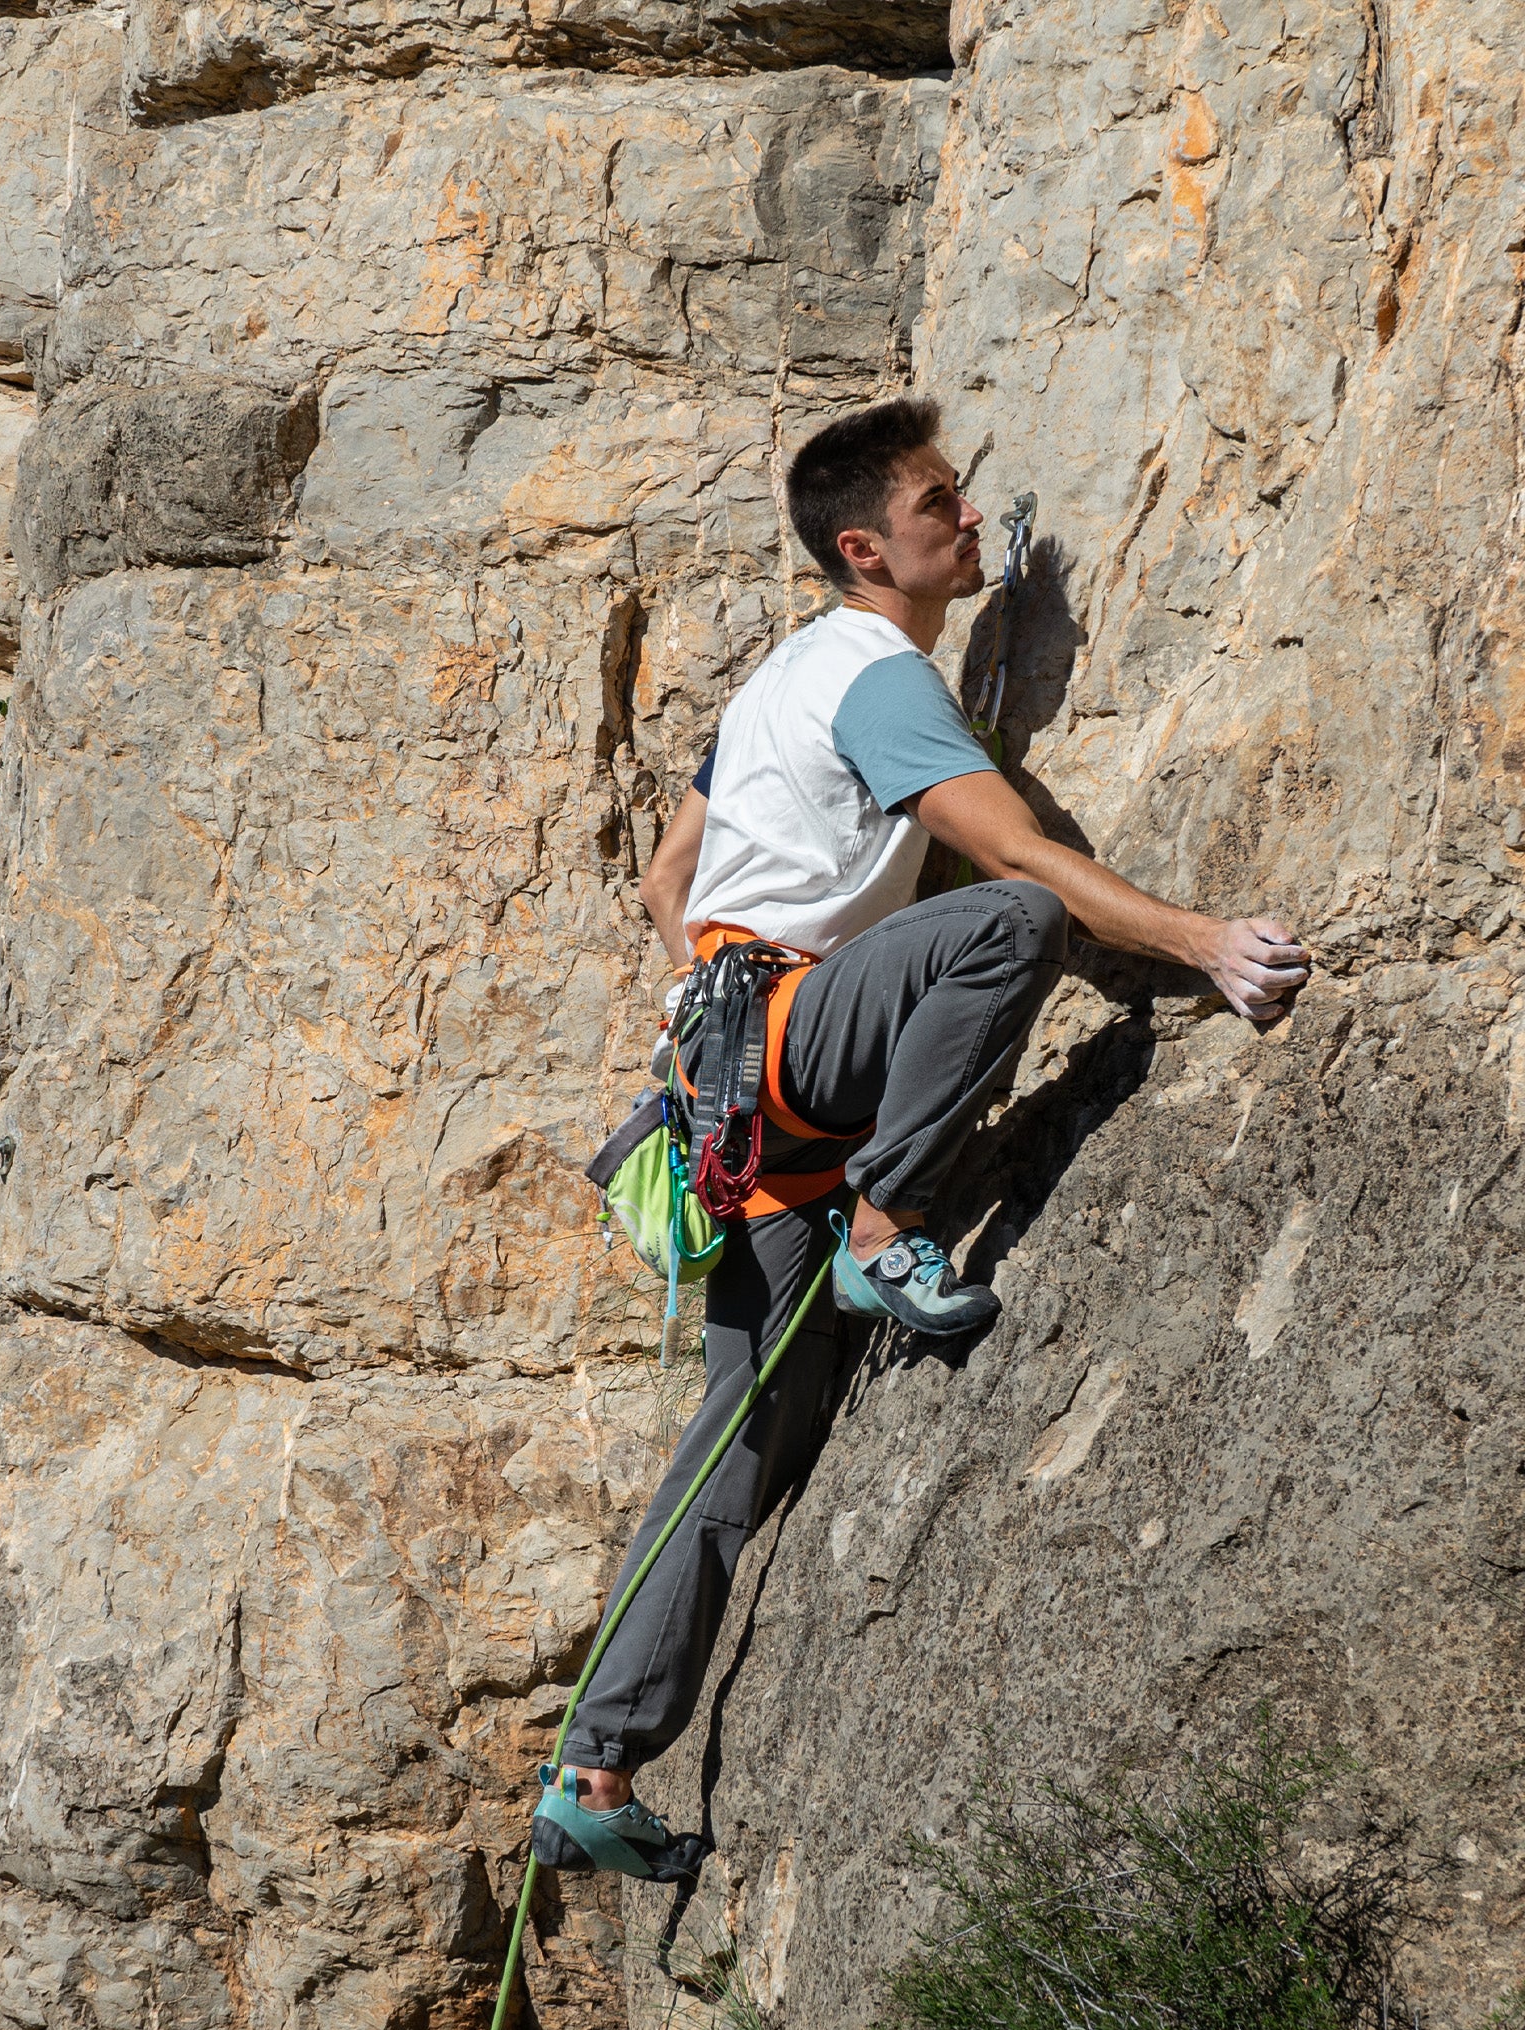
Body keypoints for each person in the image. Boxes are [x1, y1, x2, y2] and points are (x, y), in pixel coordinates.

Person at [531, 396, 1311, 1879]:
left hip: (738, 1100)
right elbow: (1016, 858)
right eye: (939, 503)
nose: (966, 518)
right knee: (1006, 920)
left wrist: (718, 989)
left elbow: (668, 875)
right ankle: (886, 1230)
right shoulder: (877, 677)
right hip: (790, 1061)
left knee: (742, 1436)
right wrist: (1206, 943)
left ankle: (597, 1769)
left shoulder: (778, 681)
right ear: (864, 549)